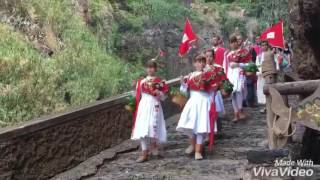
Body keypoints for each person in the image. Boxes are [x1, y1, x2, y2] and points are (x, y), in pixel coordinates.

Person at [177, 55, 213, 160]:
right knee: (190, 125)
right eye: (198, 62)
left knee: (201, 127)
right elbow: (184, 91)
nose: (200, 64)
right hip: (192, 102)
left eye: (202, 62)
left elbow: (212, 89)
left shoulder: (208, 75)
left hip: (203, 101)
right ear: (194, 63)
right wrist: (182, 84)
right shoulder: (190, 76)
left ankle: (198, 151)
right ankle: (193, 145)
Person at [131, 60, 168, 163]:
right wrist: (134, 87)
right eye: (148, 67)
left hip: (154, 105)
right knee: (142, 127)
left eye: (152, 67)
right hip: (144, 106)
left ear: (155, 69)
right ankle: (144, 152)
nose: (150, 69)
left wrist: (159, 93)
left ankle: (153, 146)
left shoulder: (160, 81)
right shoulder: (141, 81)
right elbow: (136, 95)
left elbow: (164, 97)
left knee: (152, 126)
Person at [224, 35, 247, 122]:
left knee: (239, 92)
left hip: (240, 74)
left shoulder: (243, 52)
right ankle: (236, 113)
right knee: (232, 93)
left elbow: (248, 64)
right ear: (229, 44)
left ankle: (240, 110)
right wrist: (225, 78)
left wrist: (238, 65)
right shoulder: (228, 54)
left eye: (234, 42)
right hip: (231, 75)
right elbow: (225, 66)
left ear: (237, 42)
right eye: (231, 42)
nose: (233, 44)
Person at [204, 49, 225, 132]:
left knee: (215, 111)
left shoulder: (218, 68)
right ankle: (209, 131)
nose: (209, 58)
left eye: (210, 56)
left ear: (213, 57)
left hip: (215, 93)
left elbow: (223, 80)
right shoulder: (202, 69)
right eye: (207, 56)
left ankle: (216, 129)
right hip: (206, 93)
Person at [256, 41, 270, 113]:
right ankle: (266, 106)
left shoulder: (271, 54)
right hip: (261, 76)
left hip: (269, 75)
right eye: (262, 45)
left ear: (267, 46)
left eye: (265, 45)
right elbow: (257, 66)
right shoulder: (259, 56)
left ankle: (269, 106)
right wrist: (259, 71)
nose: (264, 47)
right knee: (262, 91)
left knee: (269, 90)